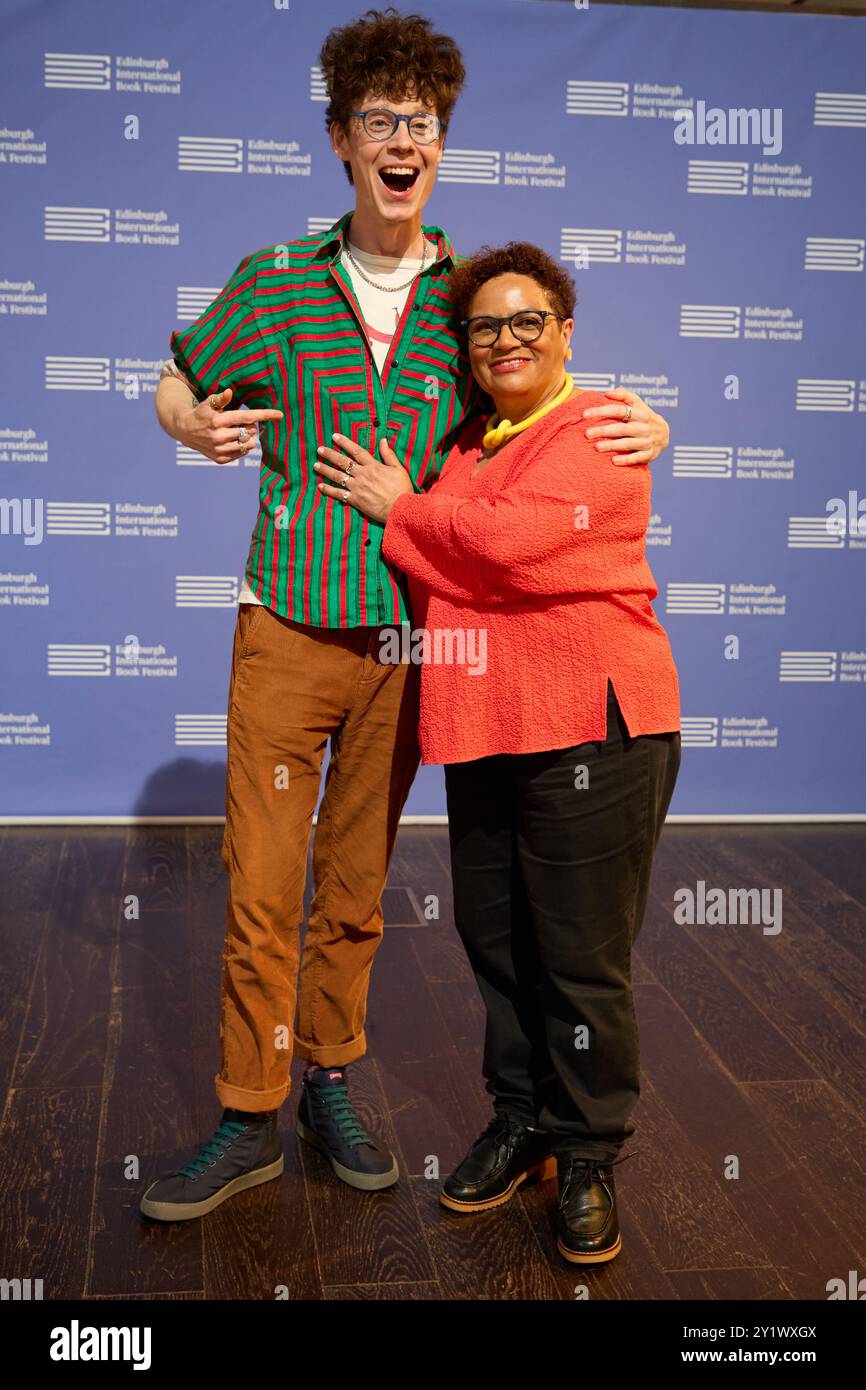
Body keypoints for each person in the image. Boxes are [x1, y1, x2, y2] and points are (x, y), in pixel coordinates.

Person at [141, 7, 672, 1224]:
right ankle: (245, 1114)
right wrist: (190, 422)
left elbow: (544, 395)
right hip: (282, 628)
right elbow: (176, 374)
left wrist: (650, 422)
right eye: (378, 119)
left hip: (401, 648)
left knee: (355, 885)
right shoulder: (273, 281)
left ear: (439, 144)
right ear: (340, 139)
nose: (400, 140)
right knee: (261, 883)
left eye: (419, 124)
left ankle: (331, 1082)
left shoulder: (462, 297)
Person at [313, 240, 681, 1263]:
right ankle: (521, 1120)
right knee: (494, 938)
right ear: (466, 348)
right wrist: (437, 521)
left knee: (576, 956)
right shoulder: (465, 448)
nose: (506, 338)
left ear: (565, 332)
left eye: (528, 320)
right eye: (485, 326)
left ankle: (590, 1150)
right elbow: (460, 558)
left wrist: (404, 512)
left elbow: (507, 547)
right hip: (484, 728)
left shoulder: (602, 425)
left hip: (593, 726)